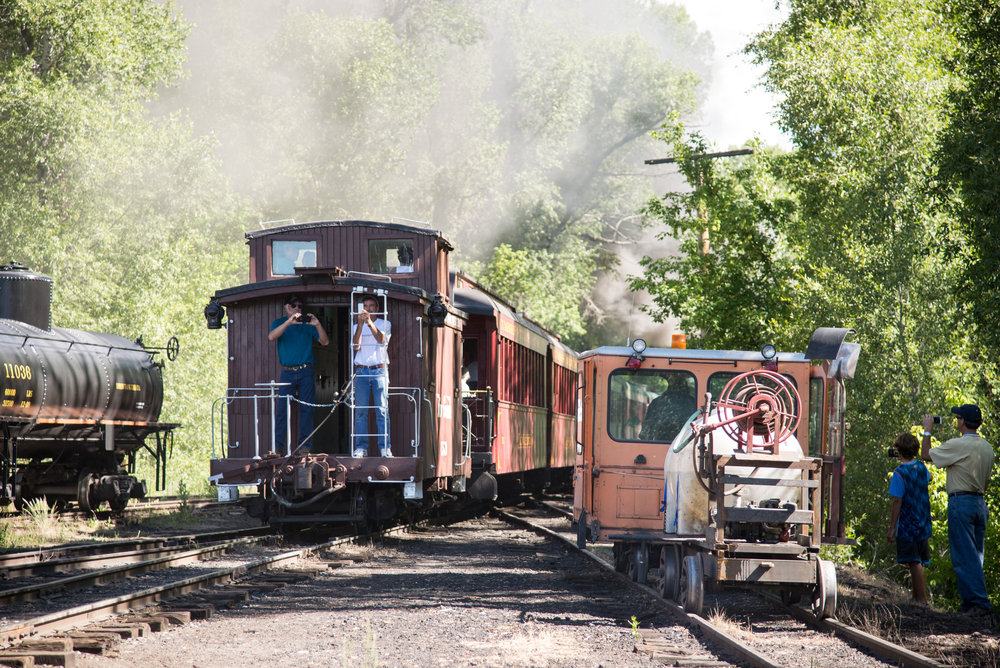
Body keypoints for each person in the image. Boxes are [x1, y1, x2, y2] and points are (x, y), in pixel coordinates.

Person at [921, 405, 995, 615]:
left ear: (962, 421)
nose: (956, 421)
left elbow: (926, 455)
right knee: (976, 556)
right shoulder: (987, 447)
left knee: (964, 556)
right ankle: (971, 604)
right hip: (979, 503)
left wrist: (928, 430)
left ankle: (978, 604)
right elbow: (987, 481)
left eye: (957, 418)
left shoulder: (959, 445)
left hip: (961, 502)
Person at [268, 294, 329, 452]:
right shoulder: (279, 323)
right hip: (287, 373)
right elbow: (271, 336)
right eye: (293, 305)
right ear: (286, 307)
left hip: (305, 371)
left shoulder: (308, 325)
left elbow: (325, 341)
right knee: (282, 409)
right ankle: (278, 447)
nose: (297, 308)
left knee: (307, 409)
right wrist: (289, 322)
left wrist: (317, 324)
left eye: (299, 306)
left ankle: (304, 446)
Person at [887, 432, 932, 605]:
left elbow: (897, 500)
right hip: (923, 519)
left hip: (908, 523)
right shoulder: (921, 467)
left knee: (914, 561)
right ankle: (916, 597)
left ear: (899, 451)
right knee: (917, 559)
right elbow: (930, 478)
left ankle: (921, 599)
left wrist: (892, 527)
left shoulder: (899, 473)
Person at [353, 295, 391, 457]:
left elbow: (382, 340)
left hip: (379, 370)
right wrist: (361, 325)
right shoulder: (356, 326)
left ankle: (385, 447)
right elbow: (356, 346)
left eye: (371, 306)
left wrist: (369, 322)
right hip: (361, 371)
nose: (368, 309)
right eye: (365, 306)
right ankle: (361, 447)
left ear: (377, 308)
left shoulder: (385, 323)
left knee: (382, 410)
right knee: (361, 411)